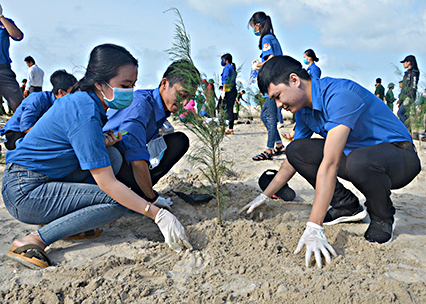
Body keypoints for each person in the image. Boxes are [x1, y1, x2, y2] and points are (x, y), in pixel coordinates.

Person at [2, 44, 192, 270]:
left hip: (41, 178)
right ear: (100, 83)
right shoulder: (84, 110)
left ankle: (74, 224)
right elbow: (108, 184)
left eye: (132, 86)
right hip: (24, 190)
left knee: (112, 155)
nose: (129, 92)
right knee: (116, 201)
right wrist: (157, 214)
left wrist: (100, 140)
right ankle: (33, 240)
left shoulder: (88, 103)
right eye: (124, 85)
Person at [241, 55, 421, 268]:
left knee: (357, 161)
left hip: (400, 156)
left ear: (295, 80)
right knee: (297, 149)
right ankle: (346, 206)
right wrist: (265, 195)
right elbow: (292, 160)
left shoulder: (338, 95)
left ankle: (382, 217)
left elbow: (330, 163)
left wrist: (314, 227)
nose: (279, 106)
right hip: (359, 157)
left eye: (278, 96)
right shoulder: (304, 113)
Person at [104, 60, 199, 207]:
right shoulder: (141, 106)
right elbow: (136, 157)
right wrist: (153, 199)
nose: (184, 102)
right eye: (181, 94)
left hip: (126, 158)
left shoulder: (160, 108)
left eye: (189, 98)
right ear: (164, 84)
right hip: (110, 162)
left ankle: (140, 191)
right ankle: (142, 194)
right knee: (123, 156)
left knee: (179, 141)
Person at [0, 70, 77, 150]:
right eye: (71, 94)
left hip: (32, 134)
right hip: (15, 135)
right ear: (61, 92)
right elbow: (25, 127)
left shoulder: (60, 105)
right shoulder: (38, 99)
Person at [249, 11, 285, 160]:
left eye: (253, 26)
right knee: (264, 116)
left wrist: (258, 65)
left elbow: (270, 58)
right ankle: (278, 144)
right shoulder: (271, 38)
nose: (253, 29)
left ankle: (269, 150)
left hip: (273, 83)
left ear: (258, 25)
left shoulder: (267, 39)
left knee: (270, 117)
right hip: (274, 81)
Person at [0, 5, 24, 112]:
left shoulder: (5, 23)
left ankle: (25, 127)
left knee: (19, 105)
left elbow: (18, 36)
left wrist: (1, 17)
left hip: (3, 70)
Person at [397, 55, 420, 130]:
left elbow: (413, 87)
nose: (404, 64)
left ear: (409, 62)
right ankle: (405, 132)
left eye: (405, 62)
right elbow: (404, 88)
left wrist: (409, 97)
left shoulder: (414, 73)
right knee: (405, 115)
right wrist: (400, 98)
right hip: (404, 96)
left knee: (400, 113)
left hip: (409, 97)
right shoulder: (407, 73)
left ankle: (407, 130)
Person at [220, 53, 238, 135]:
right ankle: (230, 129)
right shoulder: (233, 67)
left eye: (223, 60)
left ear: (226, 60)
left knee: (220, 107)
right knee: (230, 109)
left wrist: (223, 91)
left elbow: (225, 79)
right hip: (233, 89)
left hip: (228, 90)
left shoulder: (227, 67)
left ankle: (221, 126)